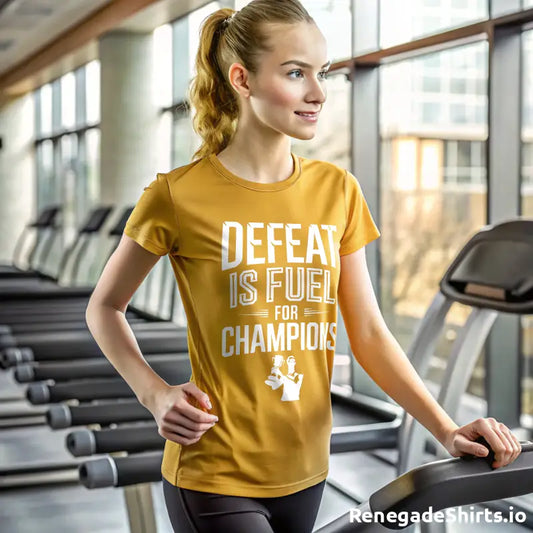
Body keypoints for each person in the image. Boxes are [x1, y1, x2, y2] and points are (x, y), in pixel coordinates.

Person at [85, 1, 523, 532]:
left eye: (323, 72)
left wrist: (446, 428)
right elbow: (105, 307)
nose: (318, 93)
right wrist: (155, 393)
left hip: (307, 467)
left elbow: (366, 331)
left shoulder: (337, 191)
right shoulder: (177, 195)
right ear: (242, 79)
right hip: (215, 470)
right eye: (296, 73)